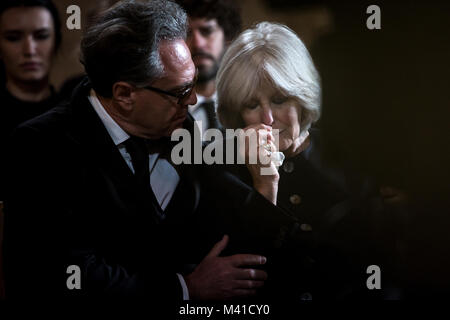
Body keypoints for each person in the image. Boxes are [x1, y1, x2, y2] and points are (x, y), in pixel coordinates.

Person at [3, 0, 299, 302]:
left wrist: (265, 181)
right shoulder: (40, 146)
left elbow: (228, 235)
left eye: (193, 83)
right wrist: (186, 289)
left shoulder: (179, 125)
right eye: (180, 91)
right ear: (124, 95)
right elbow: (69, 273)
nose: (193, 100)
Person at [216, 22, 395, 299]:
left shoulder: (351, 158)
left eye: (279, 99)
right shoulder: (222, 170)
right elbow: (239, 282)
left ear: (302, 97)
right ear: (238, 115)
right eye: (252, 105)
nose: (268, 119)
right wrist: (264, 187)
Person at [0, 0, 62, 300]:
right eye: (14, 38)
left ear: (56, 41)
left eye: (41, 36)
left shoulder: (76, 113)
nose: (29, 49)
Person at [175, 0, 242, 132]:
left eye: (207, 31)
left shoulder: (247, 105)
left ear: (227, 36)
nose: (198, 43)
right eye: (186, 33)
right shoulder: (164, 115)